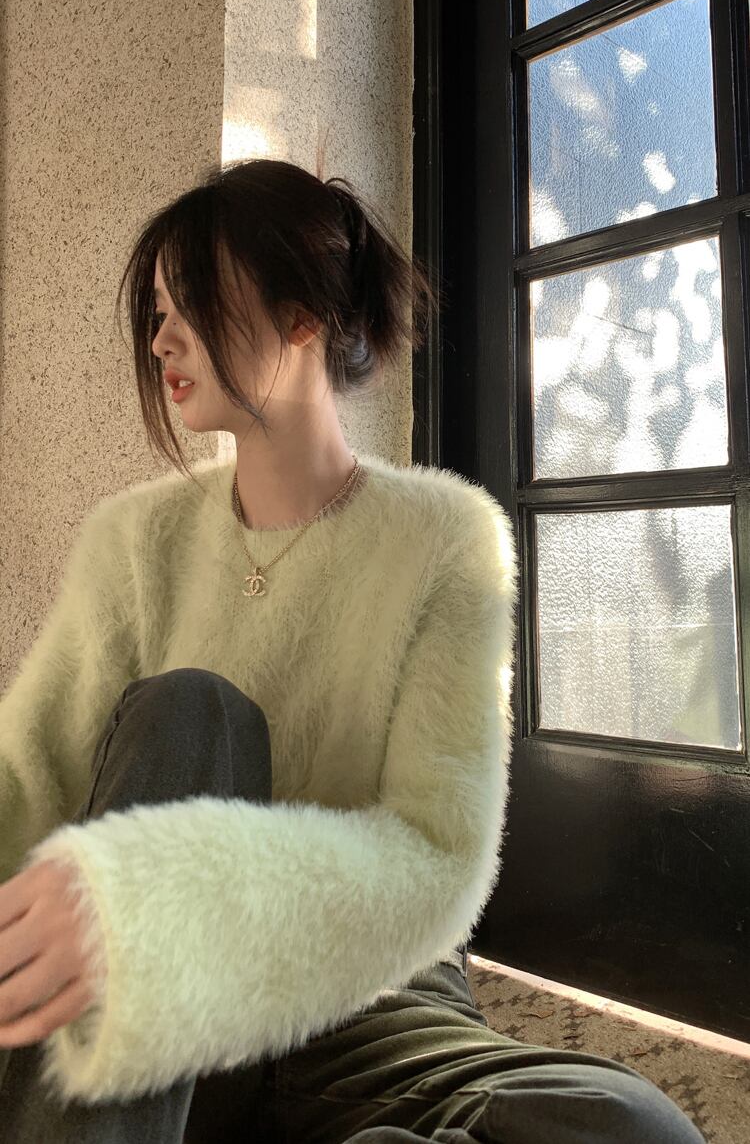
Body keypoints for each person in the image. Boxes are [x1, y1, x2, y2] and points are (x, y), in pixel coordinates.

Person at [0, 158, 706, 1142]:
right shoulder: (134, 542)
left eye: (190, 301)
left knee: (632, 1123)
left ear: (302, 316)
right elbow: (28, 779)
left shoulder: (445, 537)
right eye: (156, 311)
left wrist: (195, 871)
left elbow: (437, 853)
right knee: (192, 709)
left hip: (374, 1014)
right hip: (161, 1006)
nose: (161, 337)